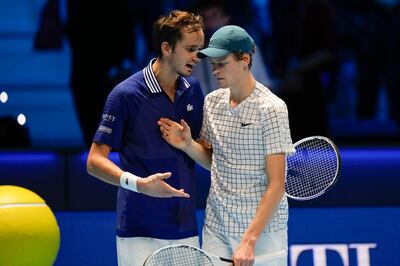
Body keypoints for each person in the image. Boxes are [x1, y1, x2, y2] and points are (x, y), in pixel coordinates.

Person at [158, 25, 295, 266]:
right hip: (217, 226)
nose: (215, 70)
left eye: (222, 63)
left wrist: (249, 241)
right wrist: (188, 145)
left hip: (263, 233)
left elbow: (277, 184)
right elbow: (217, 162)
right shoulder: (212, 102)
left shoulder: (272, 109)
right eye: (212, 63)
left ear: (244, 59)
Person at [86, 10, 205, 266]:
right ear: (167, 47)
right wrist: (139, 184)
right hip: (139, 232)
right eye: (190, 49)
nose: (197, 57)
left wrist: (188, 144)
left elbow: (208, 155)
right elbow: (94, 162)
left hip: (186, 230)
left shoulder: (193, 90)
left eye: (200, 49)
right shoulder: (125, 95)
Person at [191, 0, 273, 95]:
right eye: (204, 19)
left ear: (226, 18)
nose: (210, 23)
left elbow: (266, 88)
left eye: (214, 16)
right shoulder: (194, 57)